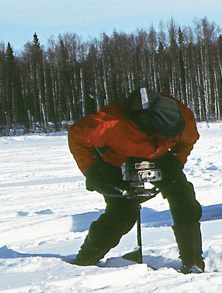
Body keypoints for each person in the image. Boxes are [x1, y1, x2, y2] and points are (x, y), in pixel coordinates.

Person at [68, 87, 205, 274]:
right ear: (145, 123)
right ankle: (86, 259)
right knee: (122, 214)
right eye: (164, 135)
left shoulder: (183, 116)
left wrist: (176, 161)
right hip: (116, 162)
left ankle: (193, 261)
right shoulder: (109, 122)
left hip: (162, 159)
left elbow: (188, 141)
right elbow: (76, 136)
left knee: (184, 198)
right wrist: (91, 171)